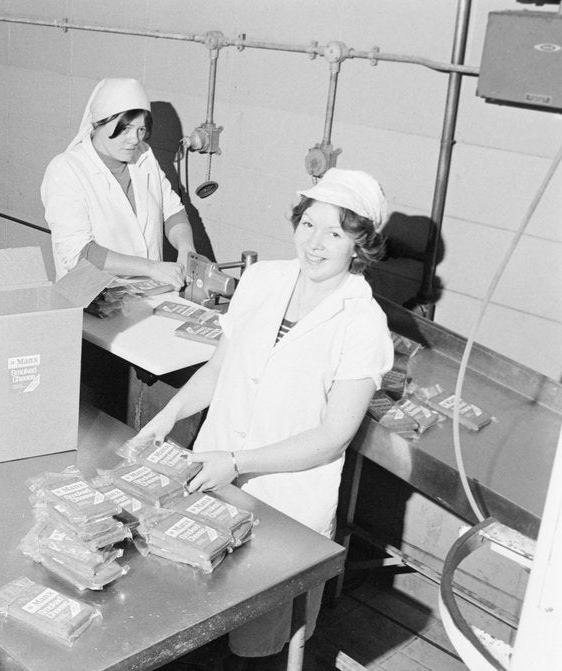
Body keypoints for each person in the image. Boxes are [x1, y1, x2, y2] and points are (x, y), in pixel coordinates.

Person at [136, 168, 395, 664]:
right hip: (213, 475)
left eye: (335, 233)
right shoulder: (262, 279)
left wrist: (236, 460)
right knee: (193, 618)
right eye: (308, 225)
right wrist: (167, 416)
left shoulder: (363, 324)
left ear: (360, 245)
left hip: (285, 501)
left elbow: (333, 436)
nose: (315, 244)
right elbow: (218, 369)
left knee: (257, 642)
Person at [41, 78, 197, 285]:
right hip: (93, 300)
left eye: (141, 130)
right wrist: (150, 268)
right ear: (98, 123)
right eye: (126, 128)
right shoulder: (66, 170)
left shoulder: (144, 155)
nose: (135, 139)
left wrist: (186, 249)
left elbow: (172, 212)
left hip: (147, 294)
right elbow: (78, 252)